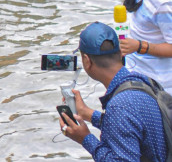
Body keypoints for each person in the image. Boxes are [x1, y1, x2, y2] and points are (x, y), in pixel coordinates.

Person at [58, 22, 169, 162]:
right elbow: (133, 127)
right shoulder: (142, 82)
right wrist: (88, 114)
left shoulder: (119, 106)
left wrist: (85, 139)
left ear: (87, 61)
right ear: (121, 53)